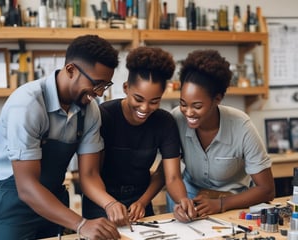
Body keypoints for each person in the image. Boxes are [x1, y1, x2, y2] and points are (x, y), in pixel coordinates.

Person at [0, 35, 121, 240]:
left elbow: (90, 175)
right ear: (71, 70)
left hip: (53, 201)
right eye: (96, 84)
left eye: (105, 86)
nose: (99, 93)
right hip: (12, 202)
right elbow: (27, 187)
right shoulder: (28, 104)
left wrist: (110, 203)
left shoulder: (90, 111)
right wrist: (81, 224)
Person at [79, 46, 197, 227]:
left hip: (139, 205)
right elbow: (89, 174)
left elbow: (172, 177)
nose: (144, 109)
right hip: (100, 203)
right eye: (138, 99)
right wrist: (110, 204)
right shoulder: (103, 116)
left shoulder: (165, 123)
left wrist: (182, 200)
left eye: (154, 101)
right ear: (126, 88)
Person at [168, 49, 275, 220]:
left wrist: (221, 204)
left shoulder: (242, 126)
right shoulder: (176, 119)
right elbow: (171, 175)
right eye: (183, 104)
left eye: (197, 106)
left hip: (232, 202)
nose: (188, 112)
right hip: (189, 197)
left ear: (217, 99)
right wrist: (181, 201)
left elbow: (267, 190)